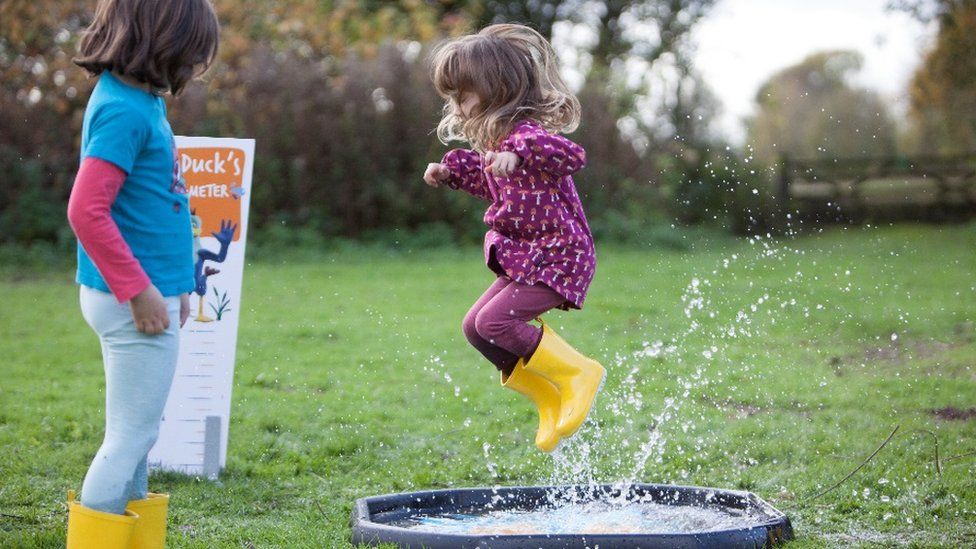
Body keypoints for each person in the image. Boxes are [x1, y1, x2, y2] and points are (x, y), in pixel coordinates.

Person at [65, 0, 219, 546]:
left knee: (136, 434)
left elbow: (157, 207)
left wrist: (173, 287)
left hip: (143, 294)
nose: (199, 63)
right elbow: (86, 210)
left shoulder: (140, 101)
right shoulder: (125, 110)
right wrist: (140, 293)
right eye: (195, 50)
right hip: (127, 298)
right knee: (130, 437)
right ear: (163, 41)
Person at [424, 23, 605, 453]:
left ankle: (577, 372)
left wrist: (520, 153)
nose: (456, 106)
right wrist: (451, 173)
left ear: (494, 89)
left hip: (560, 256)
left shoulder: (525, 135)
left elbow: (571, 154)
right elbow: (494, 184)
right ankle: (546, 395)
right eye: (451, 97)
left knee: (494, 322)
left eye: (462, 95)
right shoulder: (497, 143)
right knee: (474, 328)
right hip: (527, 256)